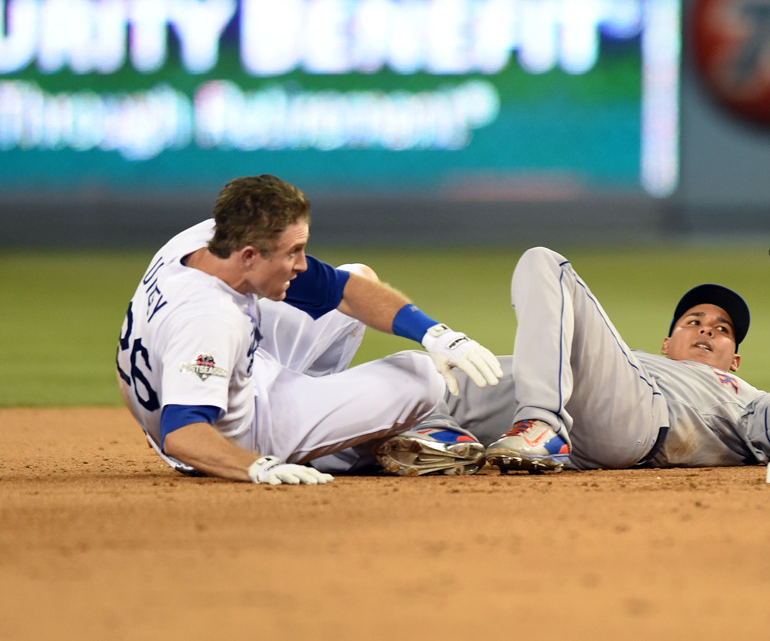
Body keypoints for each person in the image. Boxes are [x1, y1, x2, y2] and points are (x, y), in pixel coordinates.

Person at [115, 174, 503, 484]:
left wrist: (437, 335)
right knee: (422, 377)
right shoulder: (210, 320)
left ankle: (320, 418)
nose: (301, 264)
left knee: (357, 275)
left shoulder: (205, 241)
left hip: (225, 375)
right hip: (232, 434)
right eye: (292, 253)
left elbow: (344, 291)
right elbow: (181, 434)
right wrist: (257, 467)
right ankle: (331, 444)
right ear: (249, 255)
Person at [381, 246, 770, 474]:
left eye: (722, 330)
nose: (707, 328)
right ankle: (437, 439)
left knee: (544, 261)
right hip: (588, 409)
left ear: (735, 362)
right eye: (693, 321)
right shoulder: (636, 362)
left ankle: (541, 426)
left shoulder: (745, 399)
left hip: (636, 422)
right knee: (419, 372)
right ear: (666, 344)